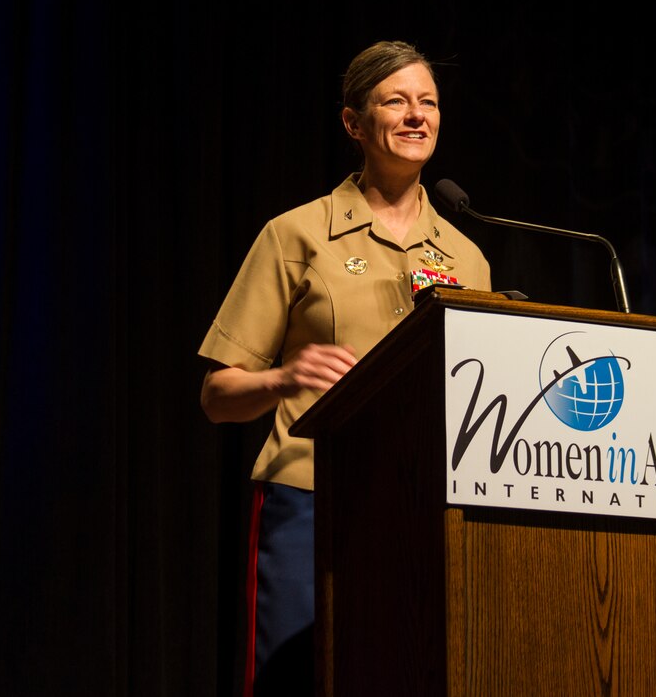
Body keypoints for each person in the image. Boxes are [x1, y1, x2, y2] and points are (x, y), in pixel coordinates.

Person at [197, 40, 491, 696]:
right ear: (354, 124)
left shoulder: (468, 258)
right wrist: (282, 377)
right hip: (312, 498)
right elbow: (217, 394)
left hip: (426, 505)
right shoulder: (295, 235)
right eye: (396, 101)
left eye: (428, 102)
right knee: (296, 682)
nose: (417, 116)